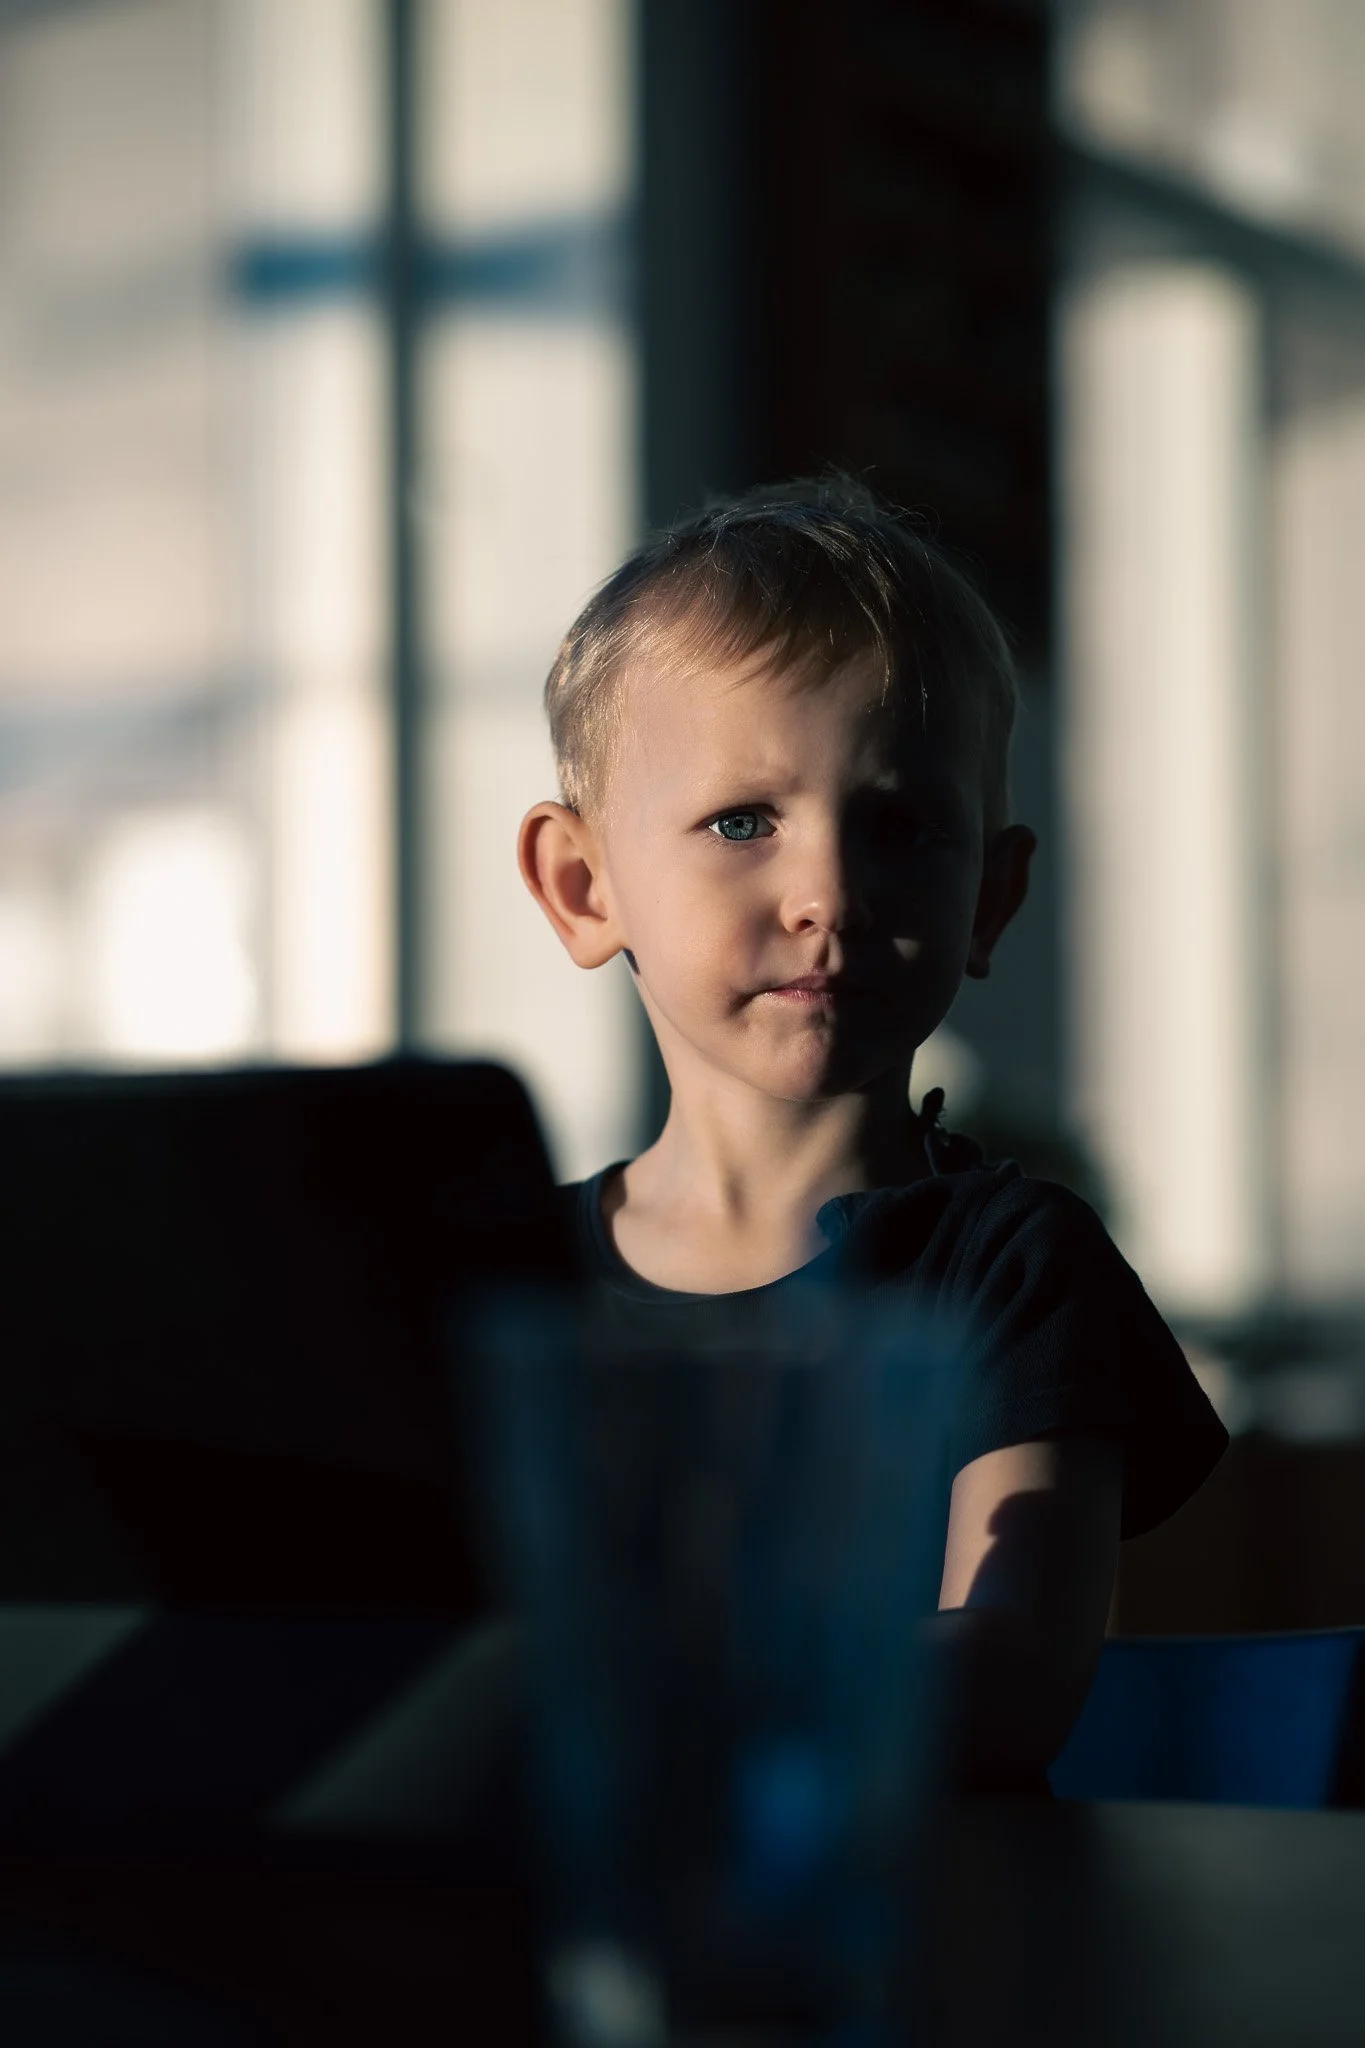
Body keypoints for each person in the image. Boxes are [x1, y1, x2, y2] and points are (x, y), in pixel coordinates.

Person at [517, 475, 1228, 1794]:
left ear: (989, 899)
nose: (828, 891)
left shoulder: (1016, 1267)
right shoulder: (508, 1279)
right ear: (583, 884)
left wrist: (629, 1699)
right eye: (743, 822)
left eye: (899, 827)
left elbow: (1009, 1677)